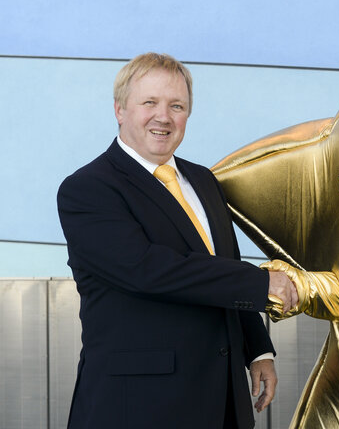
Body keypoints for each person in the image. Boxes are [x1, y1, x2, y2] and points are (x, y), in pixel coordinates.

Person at [57, 52, 297, 429]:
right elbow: (146, 270)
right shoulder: (88, 189)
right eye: (149, 102)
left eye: (177, 105)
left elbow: (226, 264)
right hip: (138, 405)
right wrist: (262, 282)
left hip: (222, 398)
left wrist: (258, 350)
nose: (164, 117)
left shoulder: (203, 181)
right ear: (120, 110)